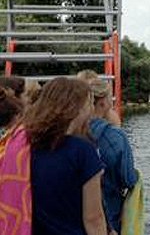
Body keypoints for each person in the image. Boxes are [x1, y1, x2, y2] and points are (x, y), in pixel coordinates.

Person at [23, 77, 108, 235]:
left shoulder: (25, 145)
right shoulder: (83, 151)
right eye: (89, 103)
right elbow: (94, 218)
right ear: (77, 108)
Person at [88, 79, 137, 235]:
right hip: (109, 213)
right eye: (110, 97)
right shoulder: (115, 136)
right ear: (102, 102)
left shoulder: (72, 131)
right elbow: (128, 179)